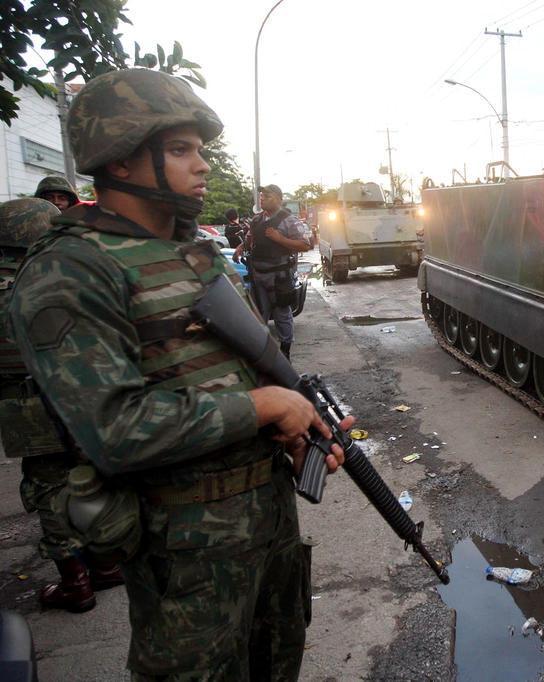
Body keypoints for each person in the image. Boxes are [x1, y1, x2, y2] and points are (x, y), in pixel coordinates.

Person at [8, 68, 346, 679]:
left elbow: (239, 368)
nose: (203, 166)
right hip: (186, 550)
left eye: (201, 150)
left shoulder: (192, 252)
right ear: (121, 161)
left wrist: (296, 428)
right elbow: (115, 428)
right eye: (181, 149)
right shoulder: (71, 270)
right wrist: (266, 408)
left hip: (267, 526)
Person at [0, 198, 124, 613]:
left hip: (30, 405)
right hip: (87, 398)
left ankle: (76, 582)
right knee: (91, 477)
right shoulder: (76, 274)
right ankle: (106, 564)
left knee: (49, 488)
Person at [235, 184, 311, 359]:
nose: (262, 198)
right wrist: (240, 248)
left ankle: (285, 353)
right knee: (259, 313)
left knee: (282, 315)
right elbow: (250, 238)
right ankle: (263, 354)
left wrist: (280, 238)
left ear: (278, 198)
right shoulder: (257, 220)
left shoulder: (288, 220)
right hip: (258, 275)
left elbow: (306, 245)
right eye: (261, 196)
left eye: (266, 196)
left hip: (279, 277)